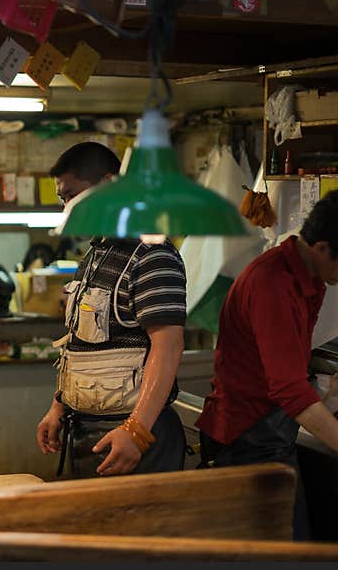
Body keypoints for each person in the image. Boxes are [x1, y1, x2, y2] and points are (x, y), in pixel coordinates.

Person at [36, 142, 188, 478]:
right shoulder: (96, 253)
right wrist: (59, 406)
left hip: (134, 439)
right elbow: (79, 342)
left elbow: (169, 346)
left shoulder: (151, 255)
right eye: (63, 200)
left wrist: (136, 431)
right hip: (90, 431)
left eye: (74, 196)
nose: (68, 210)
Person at [196, 191, 338, 539]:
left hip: (268, 432)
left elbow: (290, 358)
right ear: (321, 248)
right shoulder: (273, 282)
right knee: (277, 555)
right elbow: (288, 388)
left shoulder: (310, 276)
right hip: (247, 438)